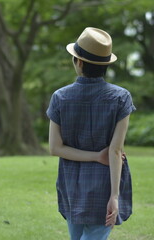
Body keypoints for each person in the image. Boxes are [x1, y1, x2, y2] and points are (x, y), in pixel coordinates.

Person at [46, 27, 136, 240]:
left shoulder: (60, 97)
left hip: (70, 182)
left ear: (79, 62)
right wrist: (114, 195)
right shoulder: (121, 98)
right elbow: (115, 151)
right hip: (104, 184)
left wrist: (93, 156)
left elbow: (54, 148)